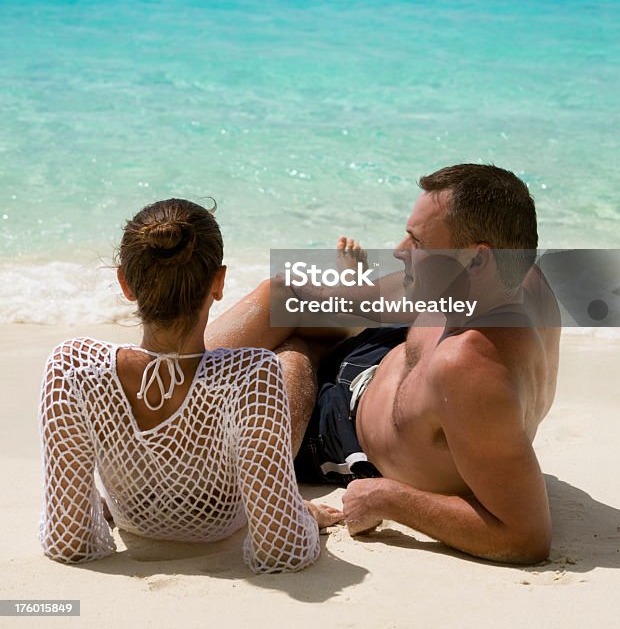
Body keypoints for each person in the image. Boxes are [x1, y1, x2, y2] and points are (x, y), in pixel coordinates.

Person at [207, 164, 560, 565]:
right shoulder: (517, 279)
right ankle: (165, 375)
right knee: (284, 293)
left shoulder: (471, 369)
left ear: (478, 260)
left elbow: (526, 536)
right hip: (388, 352)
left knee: (292, 355)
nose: (399, 248)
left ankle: (160, 394)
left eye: (418, 240)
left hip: (342, 427)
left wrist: (390, 499)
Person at [39, 199, 341, 573]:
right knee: (295, 352)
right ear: (219, 282)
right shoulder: (254, 373)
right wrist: (300, 513)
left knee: (280, 323)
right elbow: (282, 548)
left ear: (125, 283)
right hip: (223, 511)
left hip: (135, 513)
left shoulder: (73, 367)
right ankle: (349, 320)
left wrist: (93, 505)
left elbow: (68, 543)